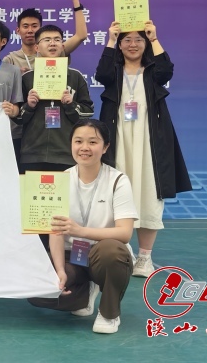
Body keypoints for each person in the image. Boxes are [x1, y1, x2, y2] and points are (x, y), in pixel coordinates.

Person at [95, 20, 191, 277]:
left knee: (149, 194)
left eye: (139, 39)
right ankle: (122, 251)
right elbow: (101, 75)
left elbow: (166, 71)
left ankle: (144, 258)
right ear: (120, 45)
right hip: (118, 139)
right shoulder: (114, 71)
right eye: (127, 40)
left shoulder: (152, 71)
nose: (133, 44)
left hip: (150, 140)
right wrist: (111, 39)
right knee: (115, 194)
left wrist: (154, 37)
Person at [28, 119, 137, 334]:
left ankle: (109, 313)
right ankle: (84, 295)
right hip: (71, 256)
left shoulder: (118, 181)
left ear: (105, 147)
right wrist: (60, 271)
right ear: (71, 144)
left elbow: (125, 233)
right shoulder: (58, 181)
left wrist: (80, 231)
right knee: (38, 288)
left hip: (102, 254)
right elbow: (56, 232)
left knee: (112, 252)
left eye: (92, 142)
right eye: (78, 141)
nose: (84, 147)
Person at [3, 0, 87, 162]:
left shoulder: (60, 55)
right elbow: (14, 107)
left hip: (62, 145)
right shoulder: (11, 61)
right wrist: (17, 76)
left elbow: (80, 35)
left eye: (35, 26)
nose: (30, 30)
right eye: (25, 26)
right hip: (27, 139)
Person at [17, 24, 94, 171]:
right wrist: (29, 106)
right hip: (33, 154)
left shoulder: (75, 77)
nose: (52, 43)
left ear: (62, 46)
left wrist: (71, 105)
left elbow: (88, 112)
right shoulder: (27, 78)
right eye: (47, 40)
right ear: (37, 47)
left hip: (66, 154)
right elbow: (17, 117)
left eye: (57, 40)